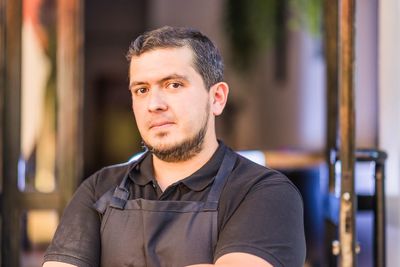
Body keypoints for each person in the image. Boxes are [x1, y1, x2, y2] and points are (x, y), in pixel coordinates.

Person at [43, 26, 306, 267]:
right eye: (141, 90)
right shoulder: (99, 189)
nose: (154, 104)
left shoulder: (263, 192)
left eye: (174, 85)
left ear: (216, 98)